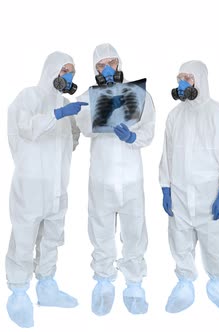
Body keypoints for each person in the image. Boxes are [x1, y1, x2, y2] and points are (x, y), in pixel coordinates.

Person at [5, 51, 87, 328]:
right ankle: (18, 293)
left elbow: (72, 139)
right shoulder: (28, 97)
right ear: (50, 69)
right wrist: (58, 113)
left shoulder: (66, 103)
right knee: (24, 239)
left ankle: (47, 287)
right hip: (30, 186)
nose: (69, 76)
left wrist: (77, 118)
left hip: (57, 186)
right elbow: (26, 129)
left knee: (53, 237)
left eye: (72, 72)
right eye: (64, 70)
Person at [75, 43, 156, 316]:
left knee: (134, 231)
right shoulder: (88, 96)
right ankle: (104, 282)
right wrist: (95, 107)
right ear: (94, 68)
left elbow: (148, 130)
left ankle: (134, 284)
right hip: (102, 179)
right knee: (101, 231)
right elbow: (84, 128)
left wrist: (133, 138)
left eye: (111, 62)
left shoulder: (140, 95)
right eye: (101, 65)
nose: (108, 69)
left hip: (131, 179)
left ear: (120, 63)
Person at [159, 60, 219, 314]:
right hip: (180, 195)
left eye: (188, 78)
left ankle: (218, 284)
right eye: (180, 78)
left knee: (214, 243)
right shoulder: (175, 115)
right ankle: (184, 284)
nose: (182, 83)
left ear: (200, 81)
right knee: (179, 240)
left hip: (208, 196)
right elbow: (167, 155)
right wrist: (165, 187)